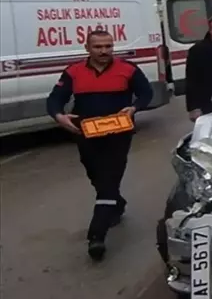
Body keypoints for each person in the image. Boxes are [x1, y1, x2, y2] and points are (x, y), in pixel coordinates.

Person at [46, 30, 153, 261]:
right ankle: (117, 202)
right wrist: (59, 116)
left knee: (108, 181)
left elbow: (146, 93)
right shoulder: (73, 72)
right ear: (87, 48)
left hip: (118, 134)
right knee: (96, 176)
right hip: (86, 134)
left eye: (108, 46)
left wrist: (134, 108)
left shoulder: (128, 69)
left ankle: (96, 236)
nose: (104, 51)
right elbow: (55, 99)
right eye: (98, 47)